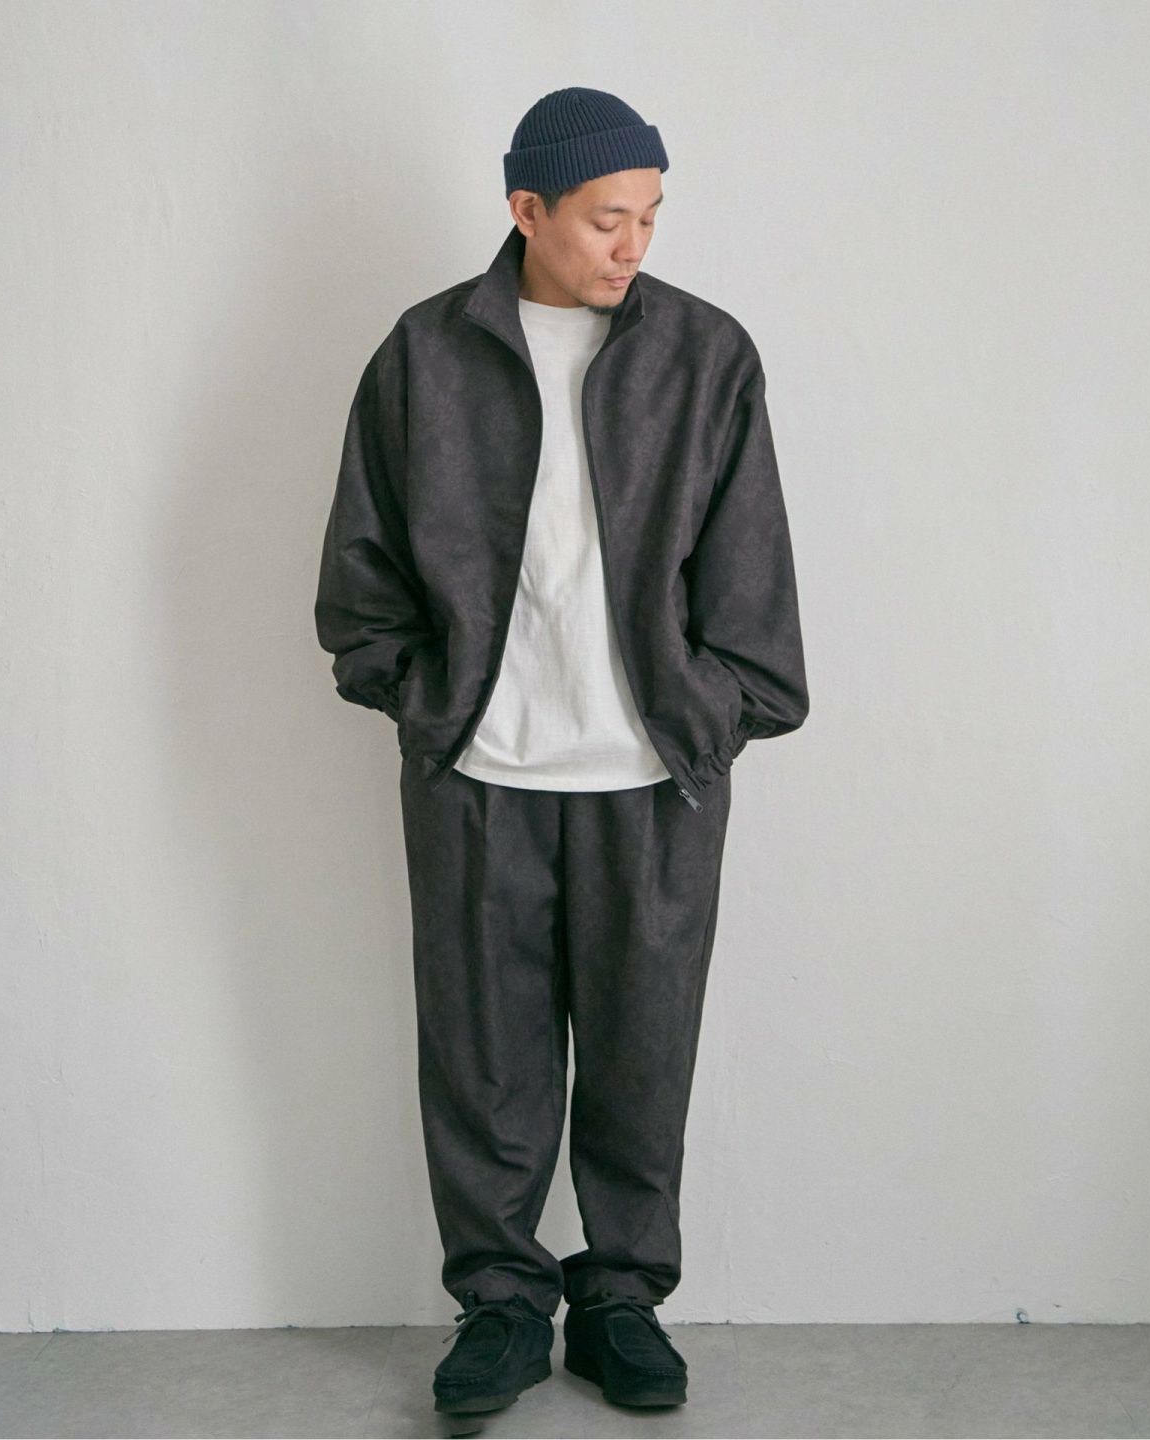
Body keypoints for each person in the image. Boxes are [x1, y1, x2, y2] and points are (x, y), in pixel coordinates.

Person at [314, 85, 809, 1424]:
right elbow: (360, 573)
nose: (632, 244)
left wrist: (713, 710)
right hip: (482, 774)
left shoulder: (706, 356)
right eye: (605, 218)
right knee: (484, 1066)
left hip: (654, 780)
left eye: (650, 215)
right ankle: (499, 1307)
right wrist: (427, 703)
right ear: (526, 209)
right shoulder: (425, 356)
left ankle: (621, 1305)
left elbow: (753, 580)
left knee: (644, 1058)